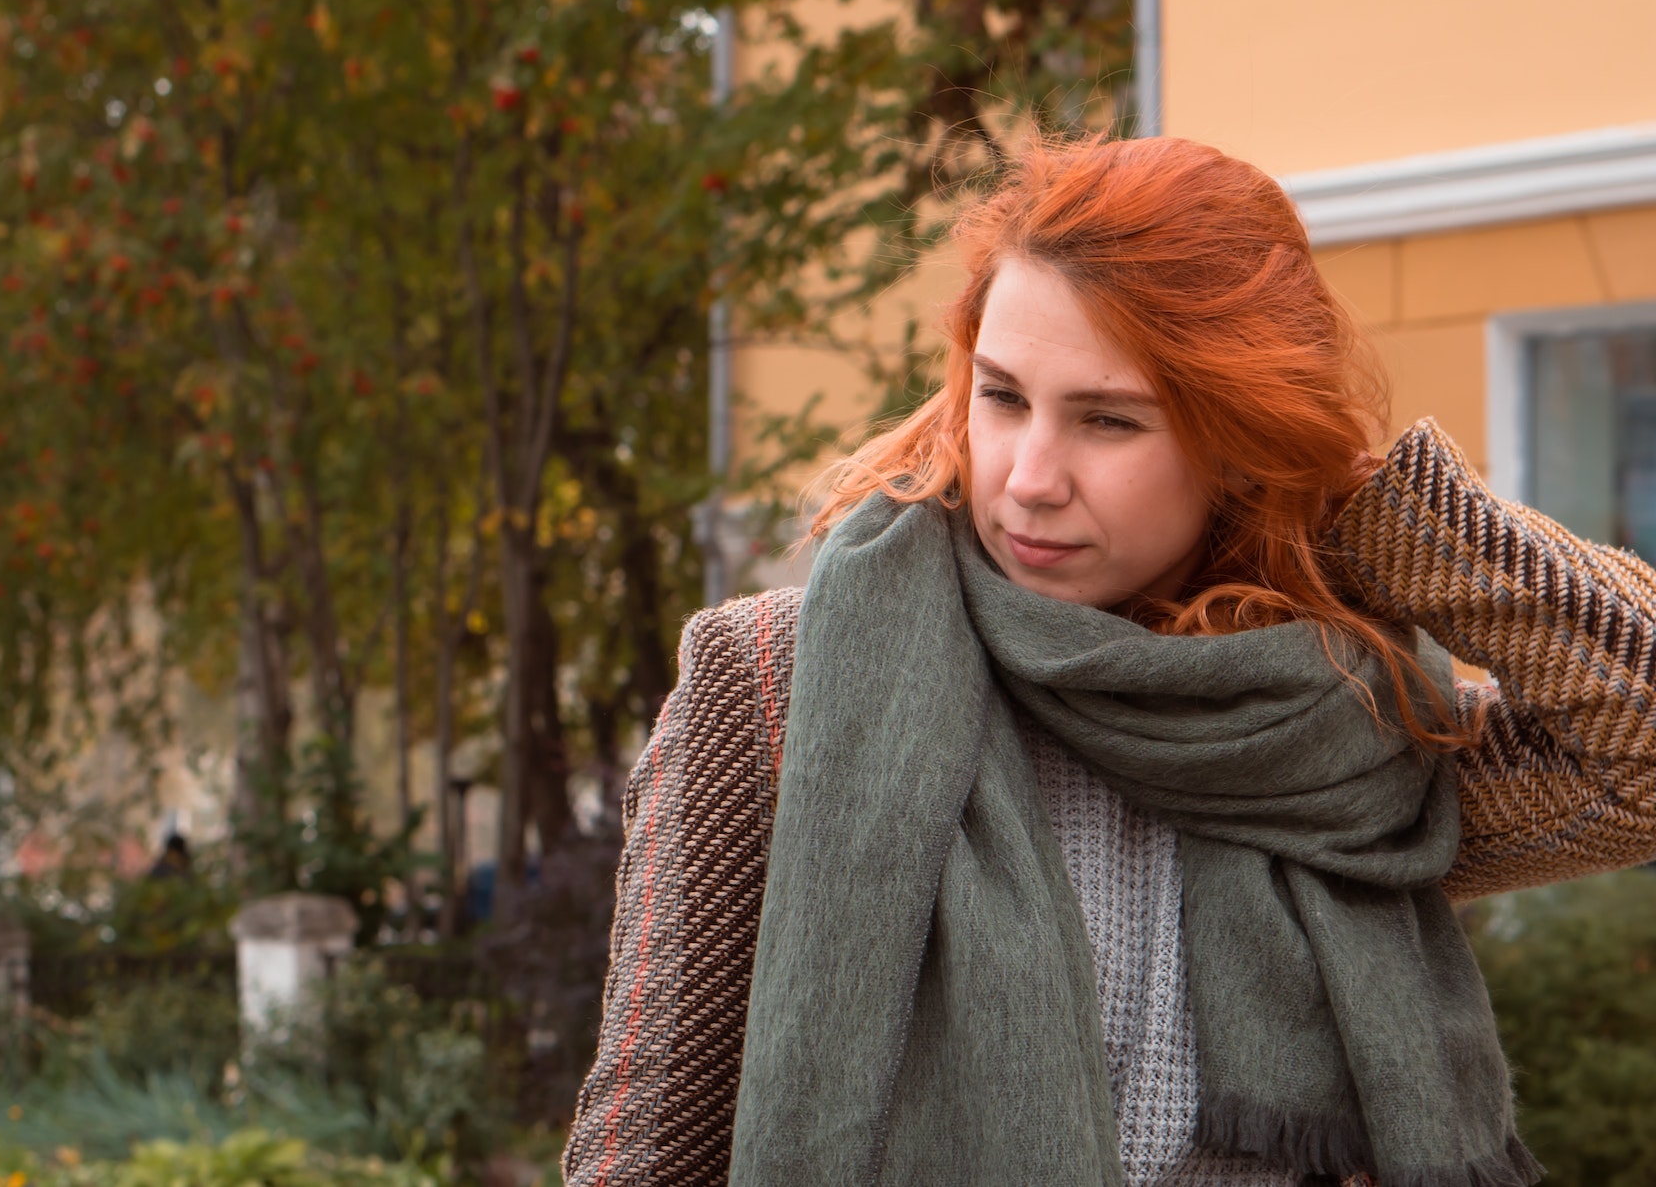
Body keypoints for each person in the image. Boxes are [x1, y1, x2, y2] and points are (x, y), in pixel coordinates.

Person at [561, 137, 1656, 1187]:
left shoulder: (1331, 730)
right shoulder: (772, 684)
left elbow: (1636, 752)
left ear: (1236, 438)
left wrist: (1378, 512)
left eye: (1107, 420)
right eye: (1000, 396)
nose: (1029, 477)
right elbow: (644, 1152)